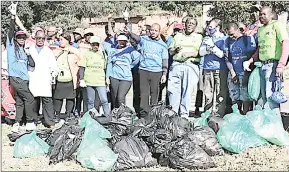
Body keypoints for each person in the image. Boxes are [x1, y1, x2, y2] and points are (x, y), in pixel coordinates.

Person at [243, 6, 289, 110]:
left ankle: (274, 123)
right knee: (264, 97)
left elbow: (285, 44)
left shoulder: (277, 25)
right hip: (262, 65)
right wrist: (250, 60)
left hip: (273, 65)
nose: (261, 16)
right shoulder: (260, 30)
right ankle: (267, 123)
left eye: (264, 14)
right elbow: (259, 48)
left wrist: (281, 65)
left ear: (270, 14)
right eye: (260, 14)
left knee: (271, 96)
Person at [6, 7, 38, 132]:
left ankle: (17, 123)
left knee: (20, 101)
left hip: (24, 79)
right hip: (15, 77)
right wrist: (13, 17)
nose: (21, 39)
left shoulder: (24, 50)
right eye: (19, 37)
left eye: (23, 38)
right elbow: (10, 31)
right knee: (30, 98)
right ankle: (30, 122)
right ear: (15, 38)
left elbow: (32, 65)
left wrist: (29, 54)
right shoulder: (11, 46)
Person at [127, 23, 168, 117]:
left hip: (156, 72)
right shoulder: (144, 40)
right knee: (144, 94)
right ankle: (143, 115)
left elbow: (165, 60)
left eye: (155, 30)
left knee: (154, 94)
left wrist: (164, 74)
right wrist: (129, 33)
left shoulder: (162, 45)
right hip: (144, 70)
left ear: (159, 32)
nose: (153, 32)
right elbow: (137, 38)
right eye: (152, 30)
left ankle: (153, 115)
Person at [167, 17, 203, 117]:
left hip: (190, 65)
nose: (190, 25)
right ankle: (173, 113)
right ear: (185, 24)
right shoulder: (177, 36)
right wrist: (175, 50)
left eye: (192, 23)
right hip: (176, 64)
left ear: (195, 26)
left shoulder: (199, 37)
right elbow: (170, 51)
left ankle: (184, 115)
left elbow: (200, 52)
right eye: (188, 23)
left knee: (187, 91)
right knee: (173, 90)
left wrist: (189, 54)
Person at [225, 23, 257, 114]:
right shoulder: (228, 41)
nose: (231, 36)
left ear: (238, 30)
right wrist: (232, 72)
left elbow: (252, 55)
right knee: (234, 95)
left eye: (232, 34)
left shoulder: (247, 39)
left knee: (245, 95)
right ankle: (237, 113)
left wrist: (247, 72)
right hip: (233, 71)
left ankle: (245, 114)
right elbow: (227, 58)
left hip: (245, 72)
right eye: (229, 34)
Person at [27, 30, 58, 126]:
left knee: (47, 101)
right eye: (38, 38)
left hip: (45, 79)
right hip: (33, 78)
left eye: (42, 38)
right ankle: (34, 120)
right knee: (34, 101)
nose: (40, 40)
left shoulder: (48, 51)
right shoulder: (29, 50)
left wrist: (53, 75)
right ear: (35, 38)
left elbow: (53, 65)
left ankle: (49, 121)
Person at [199, 18, 228, 117]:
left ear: (218, 27)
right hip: (207, 68)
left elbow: (221, 54)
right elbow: (201, 52)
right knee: (208, 93)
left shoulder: (224, 39)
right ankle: (207, 114)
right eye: (208, 27)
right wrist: (210, 49)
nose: (209, 29)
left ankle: (219, 115)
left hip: (220, 69)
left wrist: (212, 47)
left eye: (211, 27)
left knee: (221, 93)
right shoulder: (206, 38)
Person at [78, 36, 111, 116]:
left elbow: (106, 67)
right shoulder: (87, 54)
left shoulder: (103, 54)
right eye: (93, 44)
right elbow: (82, 67)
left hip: (100, 81)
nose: (95, 46)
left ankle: (107, 115)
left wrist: (107, 78)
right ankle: (90, 117)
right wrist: (81, 79)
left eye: (97, 44)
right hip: (89, 80)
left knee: (104, 100)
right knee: (90, 101)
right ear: (91, 45)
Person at [106, 34, 141, 108]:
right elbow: (109, 64)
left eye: (124, 41)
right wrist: (107, 77)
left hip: (126, 78)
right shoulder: (112, 51)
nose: (122, 43)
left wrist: (130, 65)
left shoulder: (130, 50)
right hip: (114, 76)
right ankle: (114, 115)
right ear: (117, 41)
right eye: (120, 41)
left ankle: (122, 115)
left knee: (120, 97)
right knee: (114, 98)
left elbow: (138, 58)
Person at [53, 32, 81, 123]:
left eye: (62, 39)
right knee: (57, 98)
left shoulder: (74, 50)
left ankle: (68, 114)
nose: (60, 41)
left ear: (67, 40)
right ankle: (57, 114)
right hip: (59, 78)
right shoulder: (56, 50)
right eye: (59, 39)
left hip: (70, 78)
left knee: (70, 98)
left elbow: (81, 60)